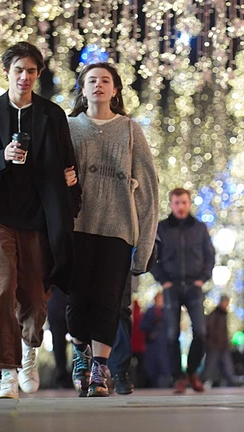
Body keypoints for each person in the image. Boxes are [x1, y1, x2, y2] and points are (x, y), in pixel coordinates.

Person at [0, 42, 81, 399]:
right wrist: (0, 157)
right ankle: (5, 373)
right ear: (7, 72)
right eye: (19, 70)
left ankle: (28, 351)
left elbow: (69, 166)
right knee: (2, 289)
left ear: (38, 75)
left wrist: (72, 192)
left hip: (39, 219)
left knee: (36, 300)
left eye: (31, 71)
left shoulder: (52, 116)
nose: (25, 77)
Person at [66, 62, 160, 397]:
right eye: (92, 80)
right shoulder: (69, 127)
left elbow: (149, 185)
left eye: (106, 80)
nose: (99, 85)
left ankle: (99, 370)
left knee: (108, 302)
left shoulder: (130, 129)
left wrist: (145, 244)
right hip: (77, 226)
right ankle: (81, 352)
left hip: (118, 228)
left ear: (116, 89)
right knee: (77, 304)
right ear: (83, 88)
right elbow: (48, 173)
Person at [151, 188, 216, 394]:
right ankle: (178, 378)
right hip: (172, 286)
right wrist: (163, 280)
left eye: (184, 202)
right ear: (171, 204)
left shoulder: (199, 228)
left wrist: (202, 279)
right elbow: (152, 256)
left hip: (194, 287)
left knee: (201, 332)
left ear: (189, 204)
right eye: (177, 203)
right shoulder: (161, 228)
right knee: (172, 334)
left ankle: (192, 372)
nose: (181, 206)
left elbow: (209, 255)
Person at [140, 293, 172, 388]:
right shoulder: (150, 311)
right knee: (152, 366)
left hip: (165, 344)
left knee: (165, 366)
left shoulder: (168, 311)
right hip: (152, 344)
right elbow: (142, 325)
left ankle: (166, 384)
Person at [205, 295, 235, 387]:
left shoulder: (222, 315)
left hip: (222, 346)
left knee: (227, 368)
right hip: (215, 346)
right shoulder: (215, 315)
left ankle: (231, 384)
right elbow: (210, 330)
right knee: (210, 367)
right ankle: (203, 382)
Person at [46, 287, 72, 389]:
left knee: (58, 342)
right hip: (58, 300)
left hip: (57, 299)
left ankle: (62, 374)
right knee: (59, 342)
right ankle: (64, 374)